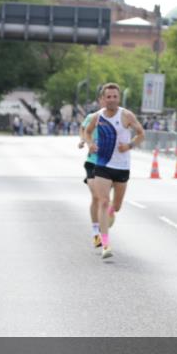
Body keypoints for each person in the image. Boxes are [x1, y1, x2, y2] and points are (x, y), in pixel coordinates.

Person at [83, 83, 146, 260]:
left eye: (114, 97)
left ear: (119, 98)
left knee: (115, 206)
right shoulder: (97, 116)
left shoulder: (126, 115)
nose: (111, 100)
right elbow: (87, 132)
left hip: (122, 167)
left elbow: (141, 133)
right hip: (103, 165)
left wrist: (129, 145)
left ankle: (111, 213)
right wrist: (90, 144)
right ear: (104, 98)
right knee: (103, 201)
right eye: (108, 97)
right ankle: (105, 243)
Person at [79, 88, 107, 248]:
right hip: (92, 162)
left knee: (104, 200)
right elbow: (83, 129)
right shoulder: (92, 117)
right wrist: (84, 141)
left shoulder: (117, 118)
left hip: (108, 164)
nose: (107, 102)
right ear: (100, 100)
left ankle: (105, 219)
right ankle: (96, 233)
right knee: (96, 196)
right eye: (105, 99)